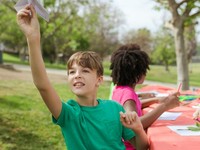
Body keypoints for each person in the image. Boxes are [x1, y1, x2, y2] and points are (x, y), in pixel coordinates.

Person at [16, 5, 149, 150]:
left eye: (85, 71)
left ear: (99, 80)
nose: (77, 75)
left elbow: (141, 146)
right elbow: (43, 86)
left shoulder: (115, 108)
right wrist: (32, 37)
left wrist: (138, 128)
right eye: (72, 72)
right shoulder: (68, 114)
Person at [110, 44, 180, 150]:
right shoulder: (128, 94)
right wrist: (164, 106)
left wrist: (156, 100)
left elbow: (134, 105)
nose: (145, 73)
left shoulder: (120, 89)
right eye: (144, 70)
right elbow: (134, 123)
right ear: (136, 74)